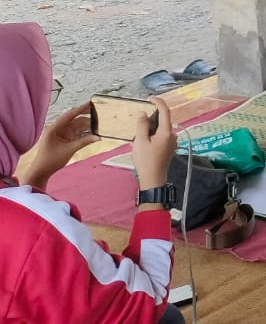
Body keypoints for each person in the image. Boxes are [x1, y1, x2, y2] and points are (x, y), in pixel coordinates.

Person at [0, 22, 184, 324]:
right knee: (168, 319)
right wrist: (153, 184)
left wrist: (39, 174)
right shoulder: (39, 231)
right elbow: (146, 303)